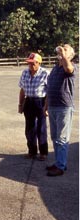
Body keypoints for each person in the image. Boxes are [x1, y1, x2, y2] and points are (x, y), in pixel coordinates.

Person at [45, 44, 76, 177]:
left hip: (64, 107)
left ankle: (61, 166)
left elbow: (69, 69)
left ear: (71, 55)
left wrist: (64, 55)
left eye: (66, 49)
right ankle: (58, 162)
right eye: (62, 48)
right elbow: (49, 87)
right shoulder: (55, 68)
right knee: (54, 137)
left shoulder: (72, 66)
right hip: (52, 106)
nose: (62, 50)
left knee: (62, 138)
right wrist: (46, 105)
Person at [18, 53, 49, 161]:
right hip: (29, 101)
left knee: (41, 128)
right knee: (29, 128)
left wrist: (46, 107)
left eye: (33, 63)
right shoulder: (25, 73)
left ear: (39, 63)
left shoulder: (45, 73)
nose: (30, 65)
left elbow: (49, 92)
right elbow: (22, 90)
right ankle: (32, 151)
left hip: (40, 101)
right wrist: (20, 104)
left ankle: (43, 153)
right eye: (29, 63)